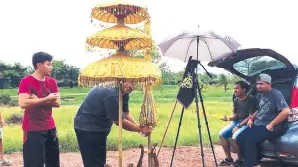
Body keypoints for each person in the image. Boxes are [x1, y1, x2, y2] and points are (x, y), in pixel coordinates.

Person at [74, 83, 152, 167]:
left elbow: (125, 114)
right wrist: (140, 129)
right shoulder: (111, 93)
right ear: (121, 79)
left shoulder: (124, 92)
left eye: (134, 83)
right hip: (88, 128)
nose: (131, 87)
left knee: (99, 160)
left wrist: (139, 128)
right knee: (94, 163)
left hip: (98, 128)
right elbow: (119, 121)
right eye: (129, 82)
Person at [236, 74, 291, 167]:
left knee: (250, 139)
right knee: (240, 138)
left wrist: (271, 125)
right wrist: (251, 119)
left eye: (261, 84)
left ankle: (249, 164)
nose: (258, 86)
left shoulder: (276, 94)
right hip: (260, 124)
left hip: (272, 126)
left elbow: (286, 112)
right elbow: (260, 109)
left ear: (269, 84)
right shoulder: (260, 95)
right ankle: (255, 163)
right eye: (257, 84)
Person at [18, 52, 61, 167]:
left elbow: (57, 103)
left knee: (53, 161)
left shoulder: (52, 82)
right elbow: (23, 103)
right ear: (39, 65)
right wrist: (47, 99)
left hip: (50, 126)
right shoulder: (26, 81)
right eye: (49, 64)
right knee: (34, 162)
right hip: (33, 128)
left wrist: (38, 100)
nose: (51, 67)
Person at [218, 81, 257, 166]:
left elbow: (251, 116)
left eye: (237, 88)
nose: (235, 90)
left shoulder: (251, 99)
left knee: (236, 135)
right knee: (222, 134)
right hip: (237, 121)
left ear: (244, 89)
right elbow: (235, 115)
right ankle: (228, 158)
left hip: (248, 123)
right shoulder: (236, 100)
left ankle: (240, 160)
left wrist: (239, 126)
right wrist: (228, 118)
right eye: (234, 88)